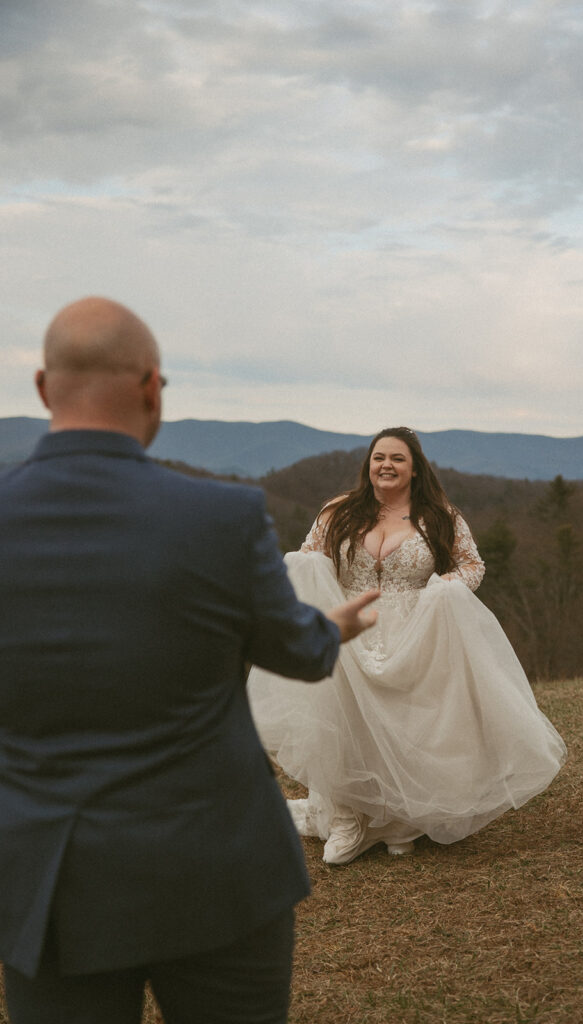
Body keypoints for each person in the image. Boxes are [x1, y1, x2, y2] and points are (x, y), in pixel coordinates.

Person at [0, 296, 379, 1024]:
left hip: (49, 883)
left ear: (44, 389)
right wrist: (332, 629)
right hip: (217, 873)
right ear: (151, 387)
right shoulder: (221, 518)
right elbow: (298, 652)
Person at [248, 427, 567, 866]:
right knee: (342, 719)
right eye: (379, 457)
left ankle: (400, 821)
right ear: (368, 464)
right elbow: (309, 556)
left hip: (414, 631)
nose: (386, 466)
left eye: (397, 458)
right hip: (351, 628)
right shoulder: (338, 511)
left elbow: (471, 565)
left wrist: (443, 592)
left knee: (408, 725)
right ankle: (347, 818)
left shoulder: (439, 516)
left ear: (414, 468)